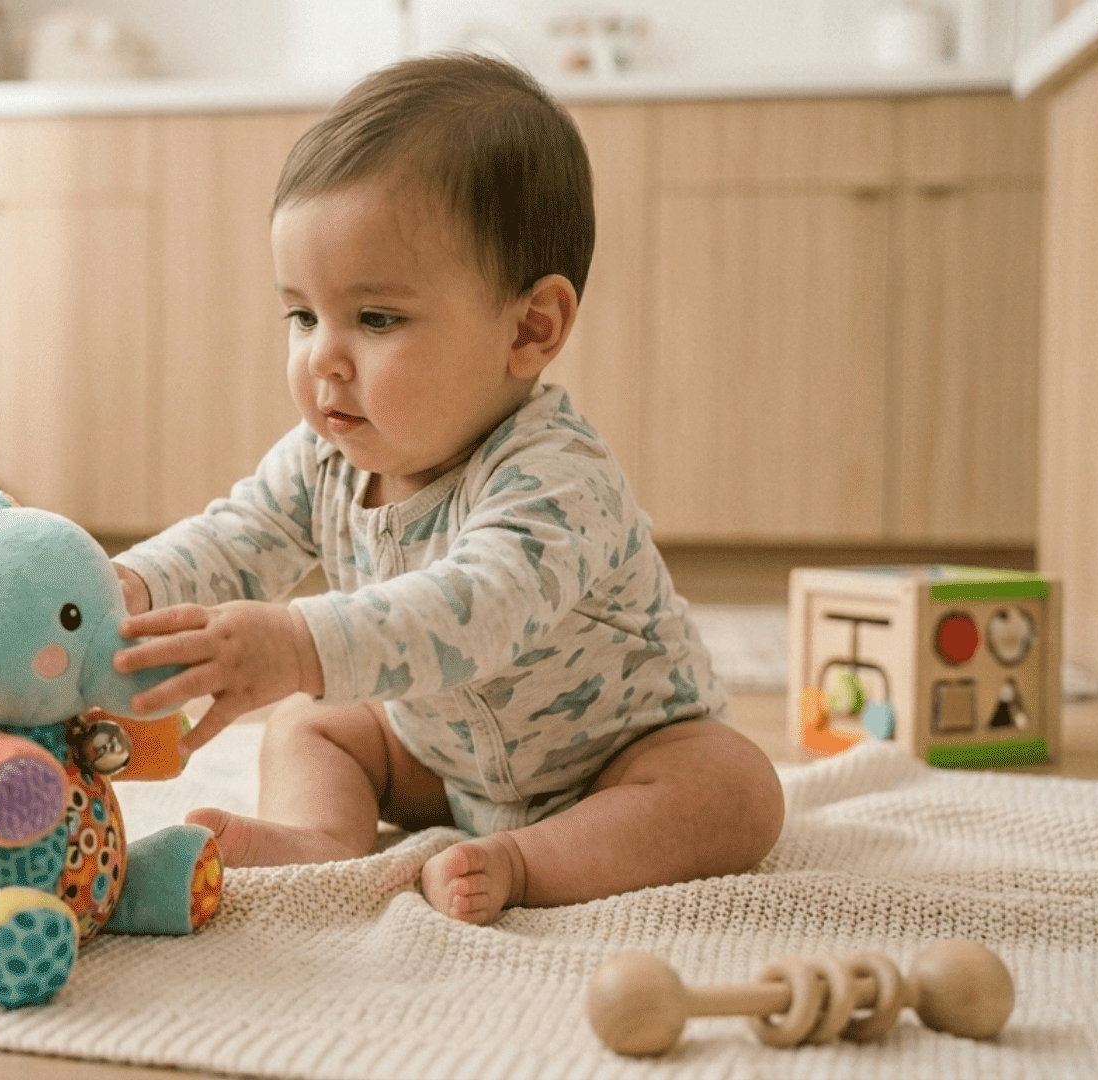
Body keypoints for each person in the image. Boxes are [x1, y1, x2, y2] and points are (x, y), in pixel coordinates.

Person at [109, 52, 784, 925]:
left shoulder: (558, 476)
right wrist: (117, 591)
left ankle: (529, 860)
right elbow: (233, 540)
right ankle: (321, 839)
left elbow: (478, 608)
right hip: (440, 754)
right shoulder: (324, 459)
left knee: (735, 788)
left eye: (376, 319)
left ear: (530, 328)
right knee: (310, 724)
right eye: (303, 316)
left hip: (617, 759)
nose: (323, 359)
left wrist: (299, 643)